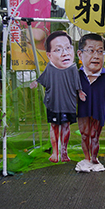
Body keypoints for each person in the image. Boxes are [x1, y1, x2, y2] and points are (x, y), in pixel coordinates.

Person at [30, 31, 86, 163]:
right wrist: (36, 82)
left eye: (68, 48)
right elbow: (42, 79)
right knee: (54, 126)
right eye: (58, 49)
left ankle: (64, 151)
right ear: (49, 55)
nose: (65, 53)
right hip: (53, 103)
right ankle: (55, 152)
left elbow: (77, 83)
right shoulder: (49, 68)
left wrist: (80, 92)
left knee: (66, 126)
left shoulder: (73, 68)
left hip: (68, 103)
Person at [76, 33, 105, 172]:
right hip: (83, 109)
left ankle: (94, 159)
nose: (96, 56)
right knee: (85, 134)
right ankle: (86, 158)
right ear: (80, 54)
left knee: (95, 135)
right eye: (91, 51)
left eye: (100, 51)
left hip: (99, 108)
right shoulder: (76, 75)